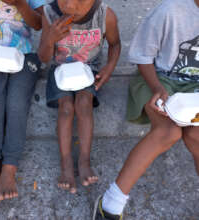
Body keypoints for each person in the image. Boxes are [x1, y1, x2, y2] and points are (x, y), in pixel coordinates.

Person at [93, 0, 199, 219]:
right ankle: (110, 202)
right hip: (157, 78)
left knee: (196, 135)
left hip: (194, 89)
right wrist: (158, 88)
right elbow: (142, 57)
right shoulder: (170, 11)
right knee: (168, 132)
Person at [38, 0, 121, 194]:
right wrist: (49, 39)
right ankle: (66, 163)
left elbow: (115, 44)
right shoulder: (49, 13)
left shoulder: (105, 16)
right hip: (59, 69)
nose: (70, 6)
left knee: (84, 103)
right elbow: (43, 57)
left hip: (88, 68)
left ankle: (84, 160)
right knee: (66, 107)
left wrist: (109, 67)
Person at [0, 0, 45, 207]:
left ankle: (9, 167)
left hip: (25, 55)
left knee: (17, 104)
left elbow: (40, 23)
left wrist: (21, 5)